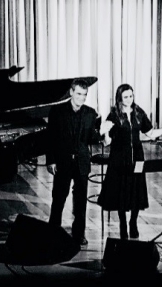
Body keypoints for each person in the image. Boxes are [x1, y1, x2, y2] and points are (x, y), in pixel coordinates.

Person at [97, 83, 162, 239]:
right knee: (121, 191)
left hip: (138, 157)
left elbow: (150, 133)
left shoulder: (139, 112)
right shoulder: (113, 115)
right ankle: (122, 224)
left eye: (131, 96)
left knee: (136, 190)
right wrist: (105, 132)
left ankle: (133, 222)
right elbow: (107, 142)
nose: (129, 99)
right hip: (119, 158)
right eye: (126, 97)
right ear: (119, 98)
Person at [46, 78, 113, 246]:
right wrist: (51, 160)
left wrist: (102, 133)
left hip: (82, 162)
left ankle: (79, 234)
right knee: (59, 197)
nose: (81, 98)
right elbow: (50, 138)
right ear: (71, 92)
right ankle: (53, 231)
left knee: (81, 200)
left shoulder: (91, 113)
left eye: (84, 95)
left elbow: (91, 138)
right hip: (63, 161)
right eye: (78, 94)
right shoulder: (57, 111)